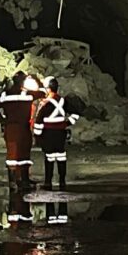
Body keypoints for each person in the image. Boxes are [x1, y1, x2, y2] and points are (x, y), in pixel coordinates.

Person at [0, 71, 45, 193]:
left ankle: (13, 180)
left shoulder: (5, 95)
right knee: (24, 153)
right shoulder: (27, 94)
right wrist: (37, 79)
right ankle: (24, 180)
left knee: (12, 154)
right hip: (24, 127)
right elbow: (43, 93)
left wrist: (3, 120)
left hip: (11, 128)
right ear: (23, 81)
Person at [33, 77, 79, 223]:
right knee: (61, 156)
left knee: (49, 157)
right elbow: (76, 113)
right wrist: (66, 123)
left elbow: (38, 121)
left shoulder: (46, 103)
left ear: (48, 88)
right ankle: (62, 180)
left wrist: (37, 136)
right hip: (60, 133)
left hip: (49, 134)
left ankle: (48, 181)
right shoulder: (63, 101)